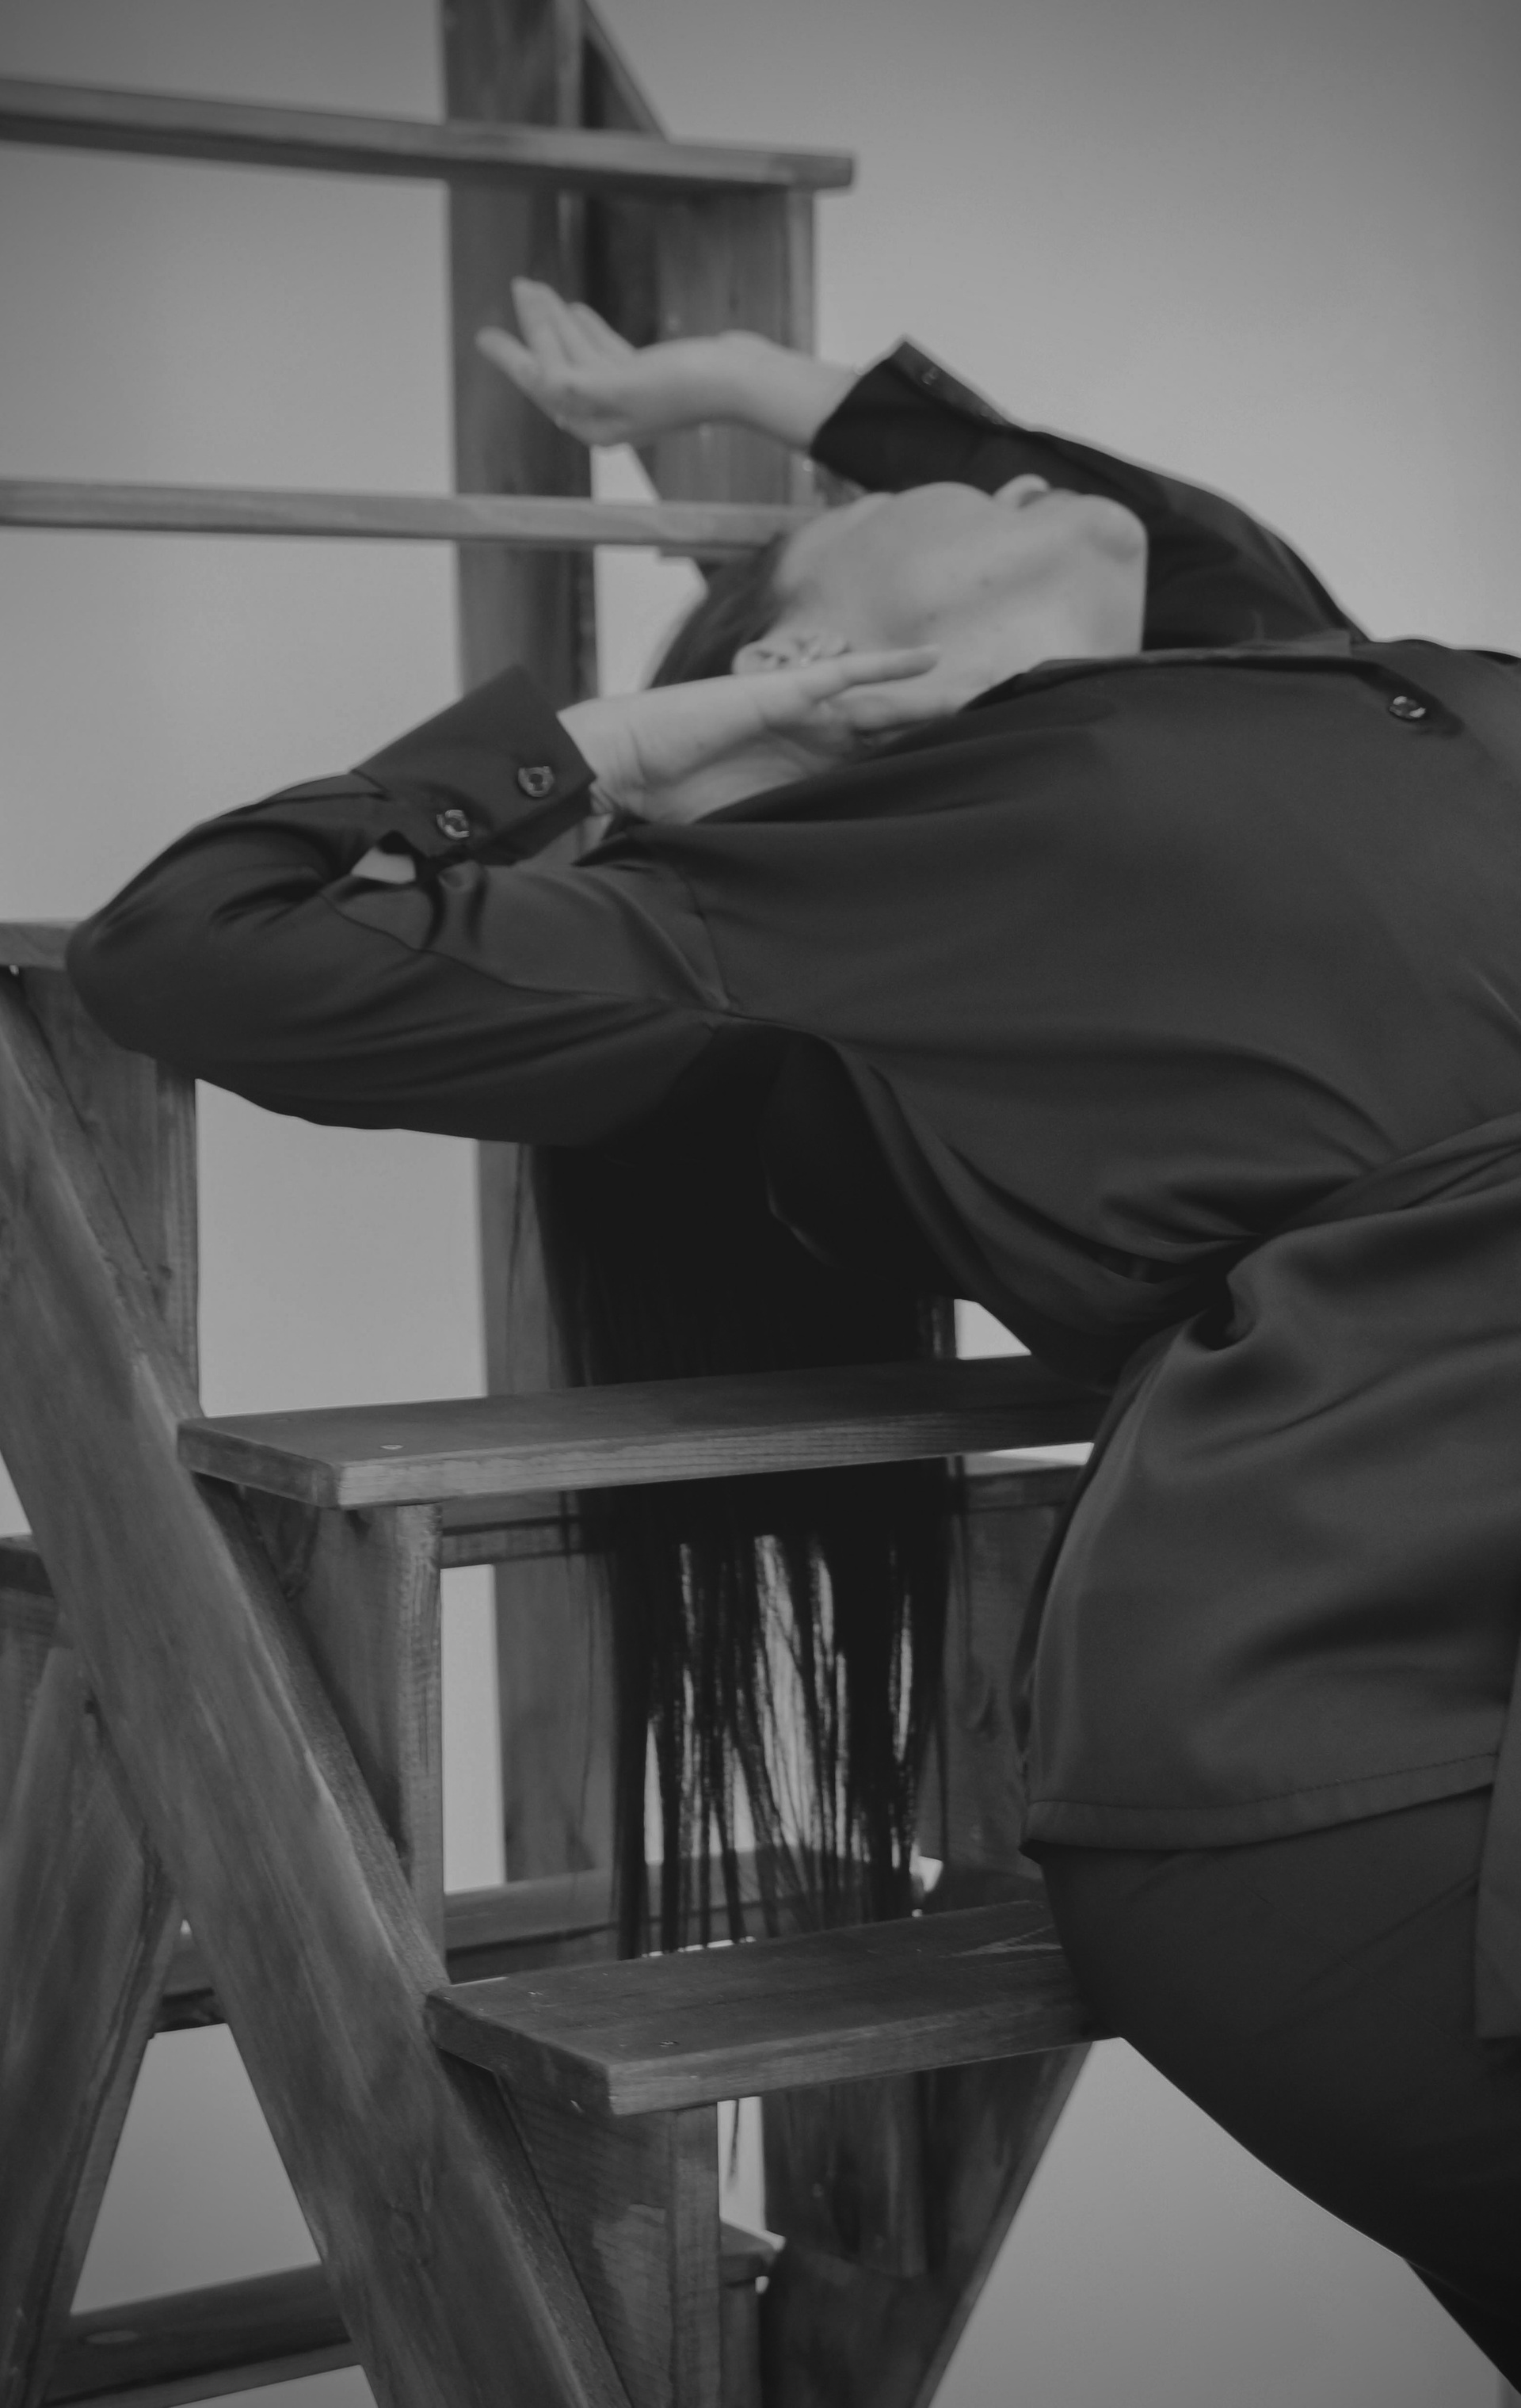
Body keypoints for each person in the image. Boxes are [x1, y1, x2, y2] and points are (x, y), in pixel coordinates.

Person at [68, 280, 1521, 2377]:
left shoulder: (1312, 686)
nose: (1002, 475)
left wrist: (758, 385)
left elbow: (1156, 527)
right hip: (1374, 1732)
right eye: (867, 512)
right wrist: (631, 748)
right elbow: (198, 949)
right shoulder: (828, 884)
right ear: (803, 663)